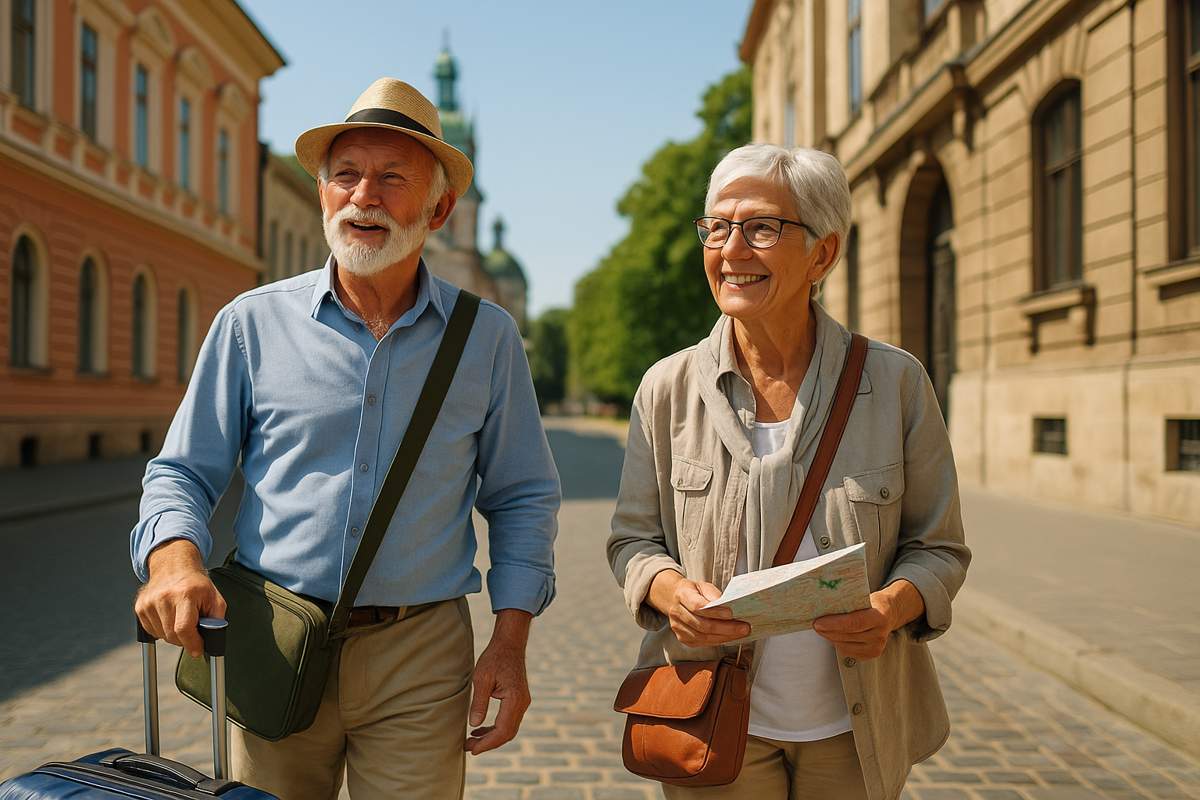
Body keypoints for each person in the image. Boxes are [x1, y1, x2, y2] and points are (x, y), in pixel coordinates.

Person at [131, 78, 560, 800]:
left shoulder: (487, 338)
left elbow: (522, 496)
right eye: (346, 174)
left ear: (439, 208)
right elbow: (180, 471)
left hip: (420, 654)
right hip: (274, 637)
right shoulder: (251, 323)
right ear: (325, 192)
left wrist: (510, 645)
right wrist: (174, 558)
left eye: (394, 179)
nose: (365, 195)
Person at [607, 143, 970, 800]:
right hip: (711, 720)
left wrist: (889, 608)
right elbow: (633, 540)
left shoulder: (894, 382)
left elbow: (937, 549)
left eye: (762, 228)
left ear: (822, 255)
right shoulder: (665, 388)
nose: (732, 249)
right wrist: (669, 593)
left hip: (853, 731)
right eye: (717, 226)